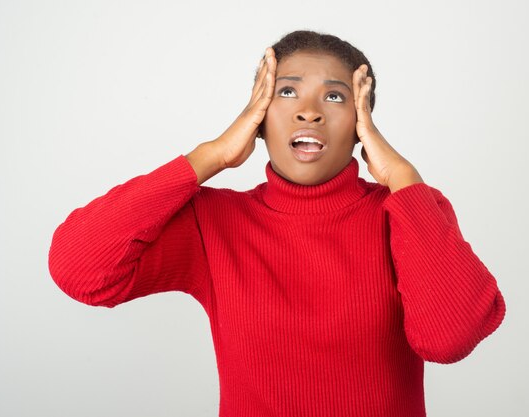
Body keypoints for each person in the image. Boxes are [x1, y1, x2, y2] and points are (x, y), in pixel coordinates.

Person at [48, 30, 506, 417]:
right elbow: (80, 272)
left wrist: (404, 178)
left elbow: (450, 339)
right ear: (260, 118)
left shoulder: (410, 211)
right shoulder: (215, 220)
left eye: (334, 95)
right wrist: (209, 156)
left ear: (362, 125)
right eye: (286, 92)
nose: (310, 111)